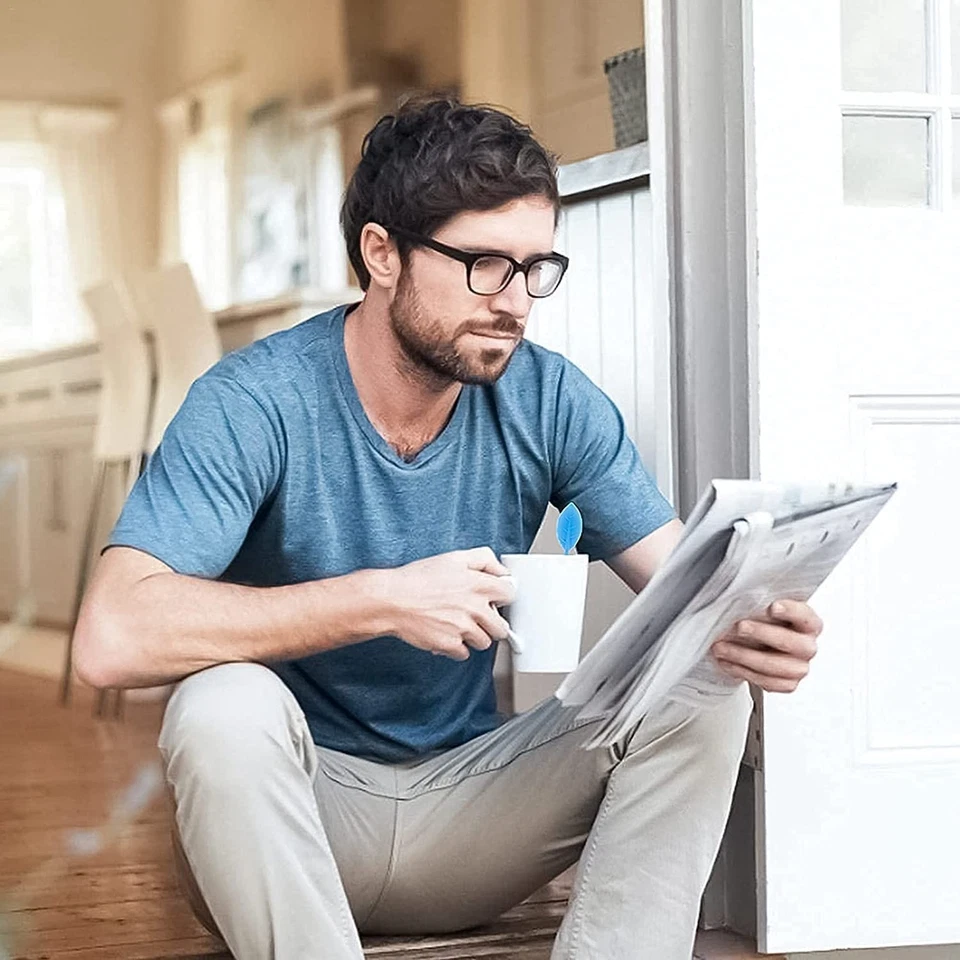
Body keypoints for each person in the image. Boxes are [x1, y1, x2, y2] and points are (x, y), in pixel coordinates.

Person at [74, 97, 822, 960]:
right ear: (381, 253)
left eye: (536, 268)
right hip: (295, 825)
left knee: (702, 683)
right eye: (483, 265)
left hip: (477, 817)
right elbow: (110, 638)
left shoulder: (549, 397)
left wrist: (753, 627)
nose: (514, 302)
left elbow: (683, 585)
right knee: (219, 705)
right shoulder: (253, 402)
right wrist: (379, 599)